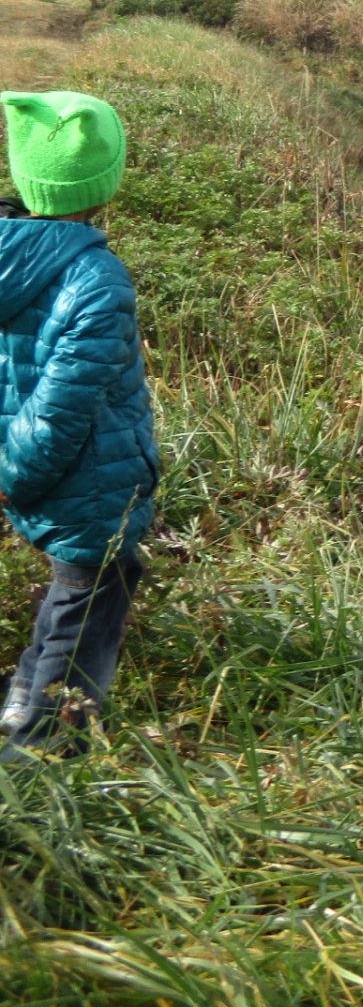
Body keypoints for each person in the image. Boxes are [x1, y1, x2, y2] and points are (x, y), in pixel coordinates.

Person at [0, 92, 158, 760]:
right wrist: (12, 478)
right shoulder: (96, 279)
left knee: (73, 599)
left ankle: (20, 699)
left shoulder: (10, 253)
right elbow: (60, 409)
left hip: (47, 477)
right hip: (84, 485)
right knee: (84, 612)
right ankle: (40, 757)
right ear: (105, 181)